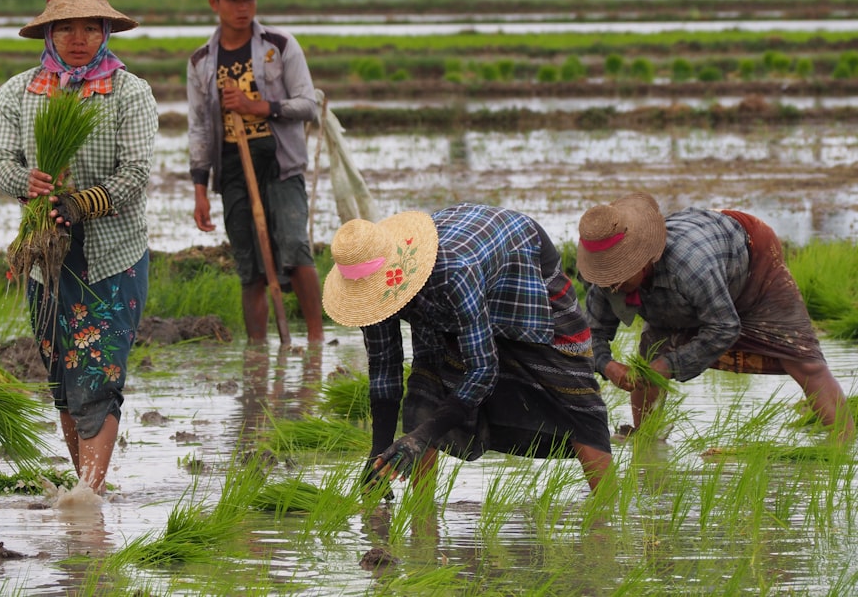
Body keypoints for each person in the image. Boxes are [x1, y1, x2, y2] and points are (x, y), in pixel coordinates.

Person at [0, 0, 158, 495]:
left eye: (90, 27)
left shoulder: (130, 92)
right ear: (49, 34)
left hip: (112, 257)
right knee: (63, 379)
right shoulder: (19, 92)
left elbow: (134, 175)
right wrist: (28, 181)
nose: (78, 38)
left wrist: (80, 203)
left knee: (98, 377)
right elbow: (0, 164)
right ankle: (88, 491)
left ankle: (86, 497)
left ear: (106, 31)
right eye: (66, 29)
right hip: (48, 259)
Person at [322, 203, 613, 492]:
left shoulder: (453, 272)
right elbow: (384, 367)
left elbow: (483, 370)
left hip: (520, 259)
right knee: (427, 386)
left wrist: (423, 436)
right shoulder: (371, 298)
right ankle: (422, 518)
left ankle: (607, 507)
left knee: (571, 389)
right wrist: (378, 453)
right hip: (452, 284)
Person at [576, 192, 855, 441]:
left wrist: (671, 364)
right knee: (648, 362)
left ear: (644, 258)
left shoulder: (690, 268)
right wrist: (607, 365)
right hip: (690, 274)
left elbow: (724, 327)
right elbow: (591, 336)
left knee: (805, 362)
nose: (614, 286)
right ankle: (647, 439)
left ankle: (845, 444)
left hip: (750, 260)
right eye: (607, 277)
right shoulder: (608, 281)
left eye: (621, 275)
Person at [187, 0, 324, 346]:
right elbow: (198, 126)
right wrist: (200, 186)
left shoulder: (279, 45)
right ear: (215, 3)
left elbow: (308, 104)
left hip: (281, 163)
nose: (242, 7)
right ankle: (258, 351)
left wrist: (258, 106)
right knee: (250, 266)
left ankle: (315, 345)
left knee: (295, 249)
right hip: (232, 168)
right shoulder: (201, 61)